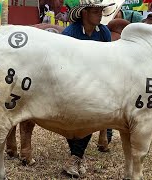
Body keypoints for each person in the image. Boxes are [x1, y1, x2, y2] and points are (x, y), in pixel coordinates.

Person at [61, 0, 115, 177]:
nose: (100, 14)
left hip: (96, 84)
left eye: (101, 11)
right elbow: (63, 63)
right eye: (95, 11)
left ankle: (76, 157)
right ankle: (76, 157)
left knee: (92, 116)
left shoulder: (104, 32)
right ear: (84, 13)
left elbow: (109, 59)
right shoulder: (70, 33)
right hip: (72, 84)